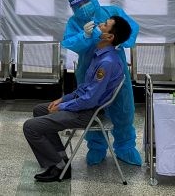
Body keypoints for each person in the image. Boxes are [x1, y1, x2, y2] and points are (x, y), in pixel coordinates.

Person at [23, 16, 131, 182]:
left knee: (30, 127)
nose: (98, 25)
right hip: (83, 105)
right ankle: (60, 159)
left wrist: (63, 107)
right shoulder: (99, 55)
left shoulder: (107, 62)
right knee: (39, 110)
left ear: (109, 37)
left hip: (87, 112)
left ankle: (59, 168)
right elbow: (84, 89)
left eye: (104, 25)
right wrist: (62, 99)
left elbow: (90, 99)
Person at [61, 0, 141, 166]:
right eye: (77, 5)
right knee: (92, 107)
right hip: (88, 71)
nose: (83, 7)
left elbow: (131, 28)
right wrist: (84, 36)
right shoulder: (74, 22)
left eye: (85, 1)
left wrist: (122, 42)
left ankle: (125, 147)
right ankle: (96, 147)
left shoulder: (112, 12)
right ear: (73, 8)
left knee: (123, 108)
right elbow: (69, 42)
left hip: (114, 69)